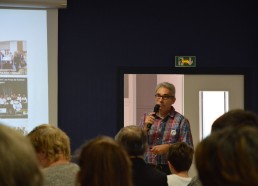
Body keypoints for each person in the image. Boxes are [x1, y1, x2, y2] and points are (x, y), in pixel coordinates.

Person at [138, 82, 193, 174]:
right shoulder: (145, 118)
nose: (160, 100)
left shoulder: (181, 121)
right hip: (147, 167)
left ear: (173, 100)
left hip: (170, 168)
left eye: (165, 96)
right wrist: (144, 128)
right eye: (158, 96)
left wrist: (169, 147)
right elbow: (136, 144)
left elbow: (188, 148)